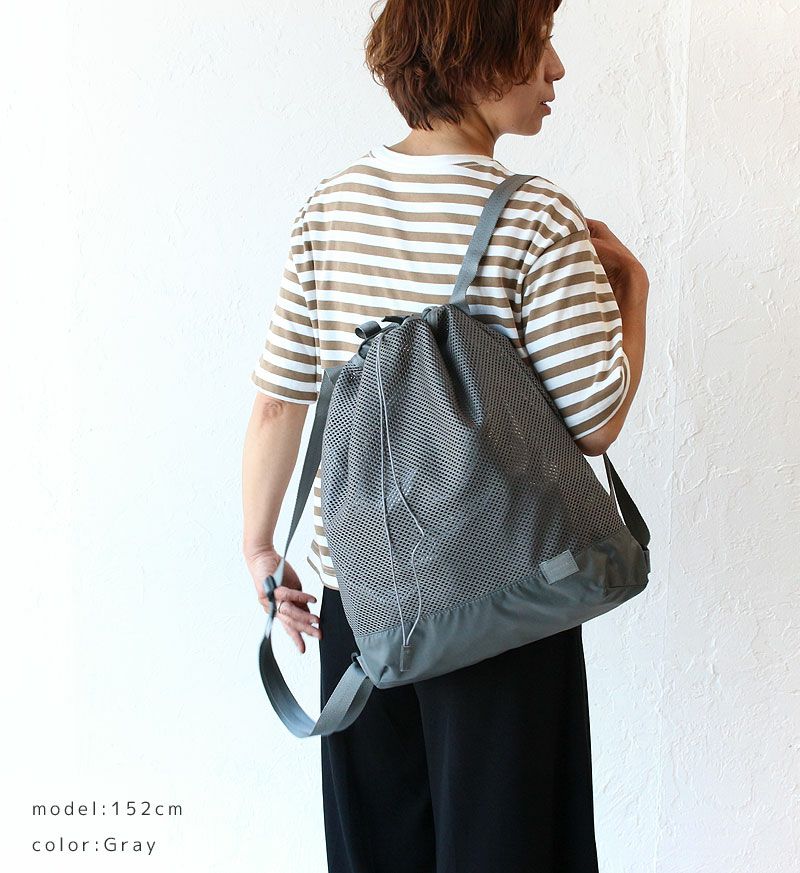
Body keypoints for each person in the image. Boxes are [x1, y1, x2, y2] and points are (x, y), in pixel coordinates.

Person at [241, 1, 650, 870]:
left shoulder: (330, 206)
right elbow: (596, 422)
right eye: (540, 45)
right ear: (478, 55)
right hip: (505, 603)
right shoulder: (537, 217)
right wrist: (634, 295)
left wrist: (261, 548)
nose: (556, 70)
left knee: (376, 850)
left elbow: (280, 401)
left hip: (364, 608)